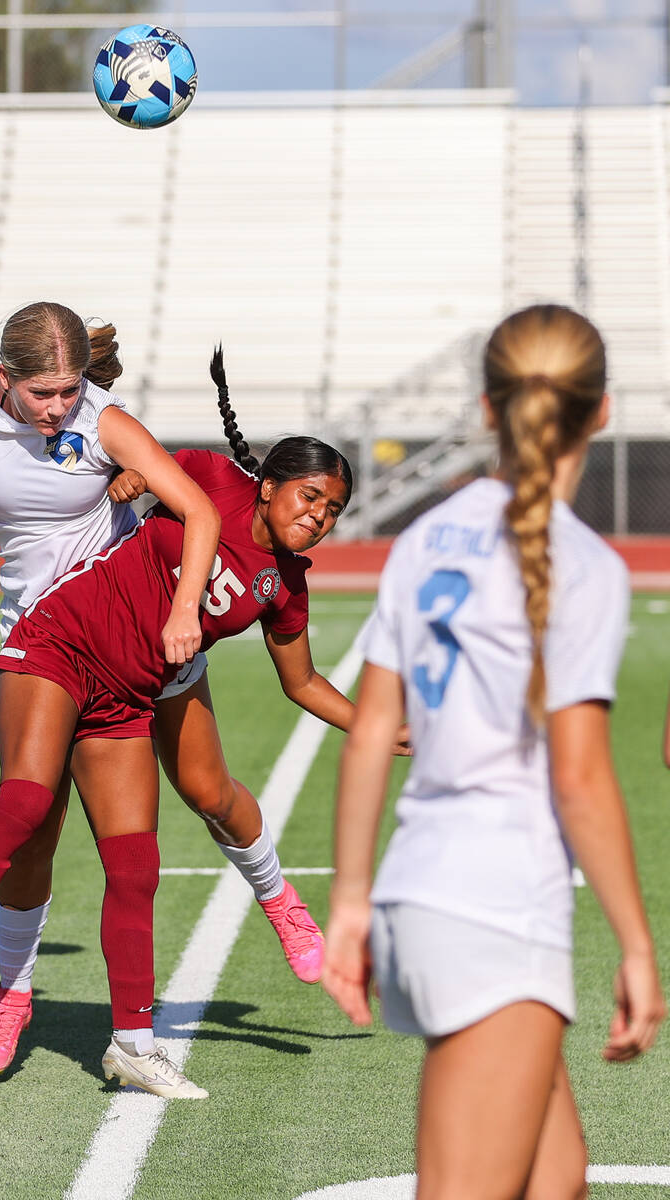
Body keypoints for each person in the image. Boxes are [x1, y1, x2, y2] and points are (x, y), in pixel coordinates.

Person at [0, 347, 407, 1100]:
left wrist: (373, 726)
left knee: (169, 831)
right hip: (69, 638)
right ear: (266, 487)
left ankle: (167, 1011)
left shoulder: (285, 583)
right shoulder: (205, 477)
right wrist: (127, 475)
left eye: (332, 510)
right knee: (31, 816)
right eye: (309, 498)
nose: (320, 517)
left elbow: (300, 681)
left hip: (150, 679)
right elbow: (136, 476)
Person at [321, 304, 665, 1199]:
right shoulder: (584, 564)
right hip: (497, 909)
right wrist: (636, 945)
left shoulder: (426, 535)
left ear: (485, 409)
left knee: (559, 1179)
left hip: (424, 891)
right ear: (601, 411)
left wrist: (354, 902)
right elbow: (581, 777)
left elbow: (369, 732)